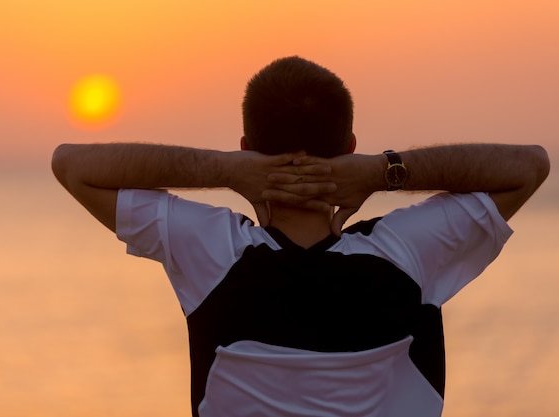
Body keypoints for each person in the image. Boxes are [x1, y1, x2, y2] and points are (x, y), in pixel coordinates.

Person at [52, 56, 549, 417]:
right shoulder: (407, 252)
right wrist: (384, 172)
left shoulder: (213, 251)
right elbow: (528, 166)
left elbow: (72, 165)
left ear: (247, 147)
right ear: (350, 146)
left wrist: (223, 168)